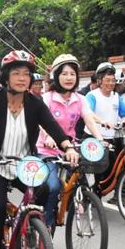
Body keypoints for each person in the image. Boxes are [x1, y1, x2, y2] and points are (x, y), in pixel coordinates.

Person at [0, 50, 79, 249]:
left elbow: (52, 126)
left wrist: (67, 146)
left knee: (45, 189)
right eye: (16, 73)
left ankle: (31, 228)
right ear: (6, 77)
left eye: (27, 74)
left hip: (24, 164)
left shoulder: (34, 103)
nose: (22, 78)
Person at [36, 54, 106, 227]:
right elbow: (41, 123)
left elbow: (89, 119)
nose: (69, 78)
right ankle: (44, 223)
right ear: (56, 76)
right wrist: (49, 137)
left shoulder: (80, 99)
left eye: (72, 74)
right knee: (52, 187)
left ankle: (76, 199)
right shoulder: (47, 98)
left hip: (70, 151)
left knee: (81, 177)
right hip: (48, 151)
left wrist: (100, 139)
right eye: (64, 73)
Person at [85, 63, 125, 204]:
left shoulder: (116, 97)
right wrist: (101, 121)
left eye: (113, 80)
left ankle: (102, 194)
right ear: (100, 80)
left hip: (111, 139)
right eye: (107, 80)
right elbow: (88, 113)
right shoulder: (92, 95)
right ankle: (87, 196)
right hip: (93, 138)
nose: (110, 83)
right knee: (97, 170)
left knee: (113, 169)